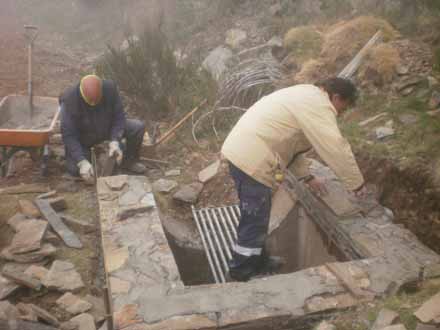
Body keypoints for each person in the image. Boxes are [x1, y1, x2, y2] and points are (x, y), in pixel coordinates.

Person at [221, 77, 368, 281]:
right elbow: (334, 145)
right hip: (252, 158)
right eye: (344, 106)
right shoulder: (319, 105)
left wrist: (307, 177)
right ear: (335, 97)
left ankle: (259, 261)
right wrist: (355, 182)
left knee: (258, 215)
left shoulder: (306, 94)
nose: (342, 113)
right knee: (254, 219)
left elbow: (294, 147)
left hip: (245, 151)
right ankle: (240, 272)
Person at [60, 74, 146, 184]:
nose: (93, 105)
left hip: (106, 128)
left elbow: (119, 117)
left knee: (137, 127)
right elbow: (69, 136)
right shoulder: (69, 100)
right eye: (90, 103)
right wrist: (81, 161)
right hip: (85, 137)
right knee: (75, 169)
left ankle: (129, 161)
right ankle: (88, 160)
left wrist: (115, 140)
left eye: (96, 102)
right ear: (82, 94)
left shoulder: (110, 89)